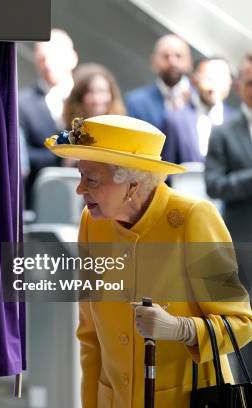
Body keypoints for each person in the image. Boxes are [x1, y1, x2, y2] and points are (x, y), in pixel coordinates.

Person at [44, 115, 252, 407]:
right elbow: (90, 336)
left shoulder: (193, 219)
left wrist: (182, 329)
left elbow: (240, 323)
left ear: (131, 183)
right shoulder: (93, 223)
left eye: (91, 179)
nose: (80, 189)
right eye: (81, 175)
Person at [19, 29, 78, 191]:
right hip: (41, 195)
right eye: (41, 58)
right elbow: (20, 154)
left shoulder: (90, 97)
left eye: (54, 56)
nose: (47, 64)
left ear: (73, 58)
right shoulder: (22, 104)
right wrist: (60, 156)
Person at [206, 53, 252, 243]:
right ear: (238, 86)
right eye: (251, 83)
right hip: (243, 237)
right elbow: (214, 186)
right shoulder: (222, 133)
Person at [163, 57, 234, 164]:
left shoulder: (237, 122)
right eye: (208, 79)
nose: (214, 87)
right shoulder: (176, 120)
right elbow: (166, 169)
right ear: (194, 80)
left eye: (221, 79)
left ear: (229, 82)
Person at [125, 34, 193, 131]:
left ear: (189, 61)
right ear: (153, 62)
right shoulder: (136, 103)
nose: (172, 62)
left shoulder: (200, 99)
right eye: (165, 56)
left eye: (178, 56)